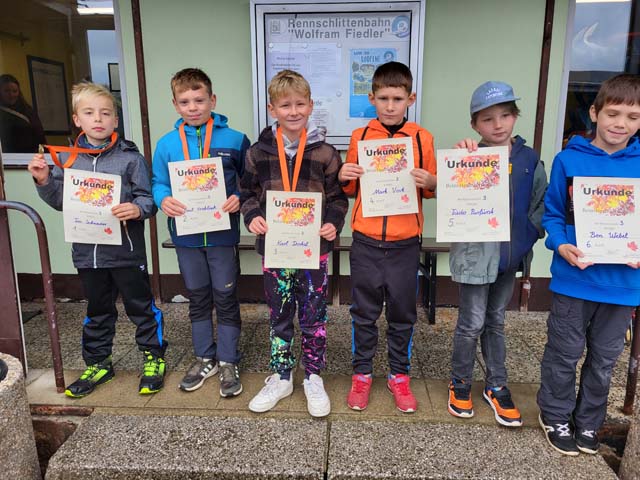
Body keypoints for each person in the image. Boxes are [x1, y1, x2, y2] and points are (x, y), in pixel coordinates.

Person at [27, 82, 166, 397]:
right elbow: (60, 200)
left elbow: (148, 199)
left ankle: (154, 358)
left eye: (105, 113)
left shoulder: (131, 158)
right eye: (89, 113)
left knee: (141, 308)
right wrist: (44, 180)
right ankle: (99, 363)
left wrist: (137, 208)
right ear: (77, 119)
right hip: (87, 254)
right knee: (98, 310)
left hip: (126, 252)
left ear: (116, 120)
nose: (98, 119)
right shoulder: (68, 159)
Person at [538, 73, 640, 455]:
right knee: (564, 354)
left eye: (632, 117)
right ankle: (555, 415)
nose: (621, 123)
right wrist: (560, 244)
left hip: (624, 284)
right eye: (613, 113)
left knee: (604, 361)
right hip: (574, 278)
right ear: (595, 113)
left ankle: (589, 422)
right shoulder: (569, 160)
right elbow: (552, 214)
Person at [240, 69, 348, 417]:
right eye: (285, 105)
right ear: (272, 109)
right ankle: (282, 375)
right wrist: (252, 215)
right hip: (274, 251)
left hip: (314, 250)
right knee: (279, 314)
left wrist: (332, 223)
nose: (294, 111)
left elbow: (338, 198)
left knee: (314, 315)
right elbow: (246, 193)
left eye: (300, 104)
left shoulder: (326, 153)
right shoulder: (258, 153)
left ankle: (313, 375)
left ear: (311, 106)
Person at [447, 81, 547, 427]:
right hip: (476, 258)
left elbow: (540, 203)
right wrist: (459, 159)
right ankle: (460, 382)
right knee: (471, 323)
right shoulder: (468, 157)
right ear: (475, 125)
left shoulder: (529, 159)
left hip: (510, 258)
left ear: (515, 116)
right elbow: (450, 197)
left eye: (505, 115)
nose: (498, 124)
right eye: (488, 119)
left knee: (497, 321)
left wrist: (528, 237)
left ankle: (496, 384)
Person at [339, 61, 437, 413]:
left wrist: (431, 182)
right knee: (363, 312)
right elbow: (350, 189)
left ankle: (399, 375)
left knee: (402, 313)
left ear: (411, 98)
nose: (390, 106)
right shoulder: (360, 137)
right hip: (366, 241)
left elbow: (431, 188)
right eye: (383, 98)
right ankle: (362, 374)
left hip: (405, 243)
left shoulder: (422, 137)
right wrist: (344, 175)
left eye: (397, 98)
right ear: (372, 99)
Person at [152, 68, 249, 398]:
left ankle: (228, 359)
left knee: (225, 296)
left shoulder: (235, 139)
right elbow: (158, 182)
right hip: (186, 235)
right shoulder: (166, 144)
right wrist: (162, 199)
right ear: (175, 105)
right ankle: (205, 357)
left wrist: (240, 197)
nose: (193, 107)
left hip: (222, 235)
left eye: (199, 100)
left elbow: (250, 181)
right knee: (198, 297)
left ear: (213, 100)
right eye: (185, 102)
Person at [0, 74, 46, 152]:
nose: (11, 95)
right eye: (6, 91)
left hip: (29, 156)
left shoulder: (27, 111)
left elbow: (40, 138)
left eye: (15, 91)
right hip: (5, 157)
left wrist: (42, 155)